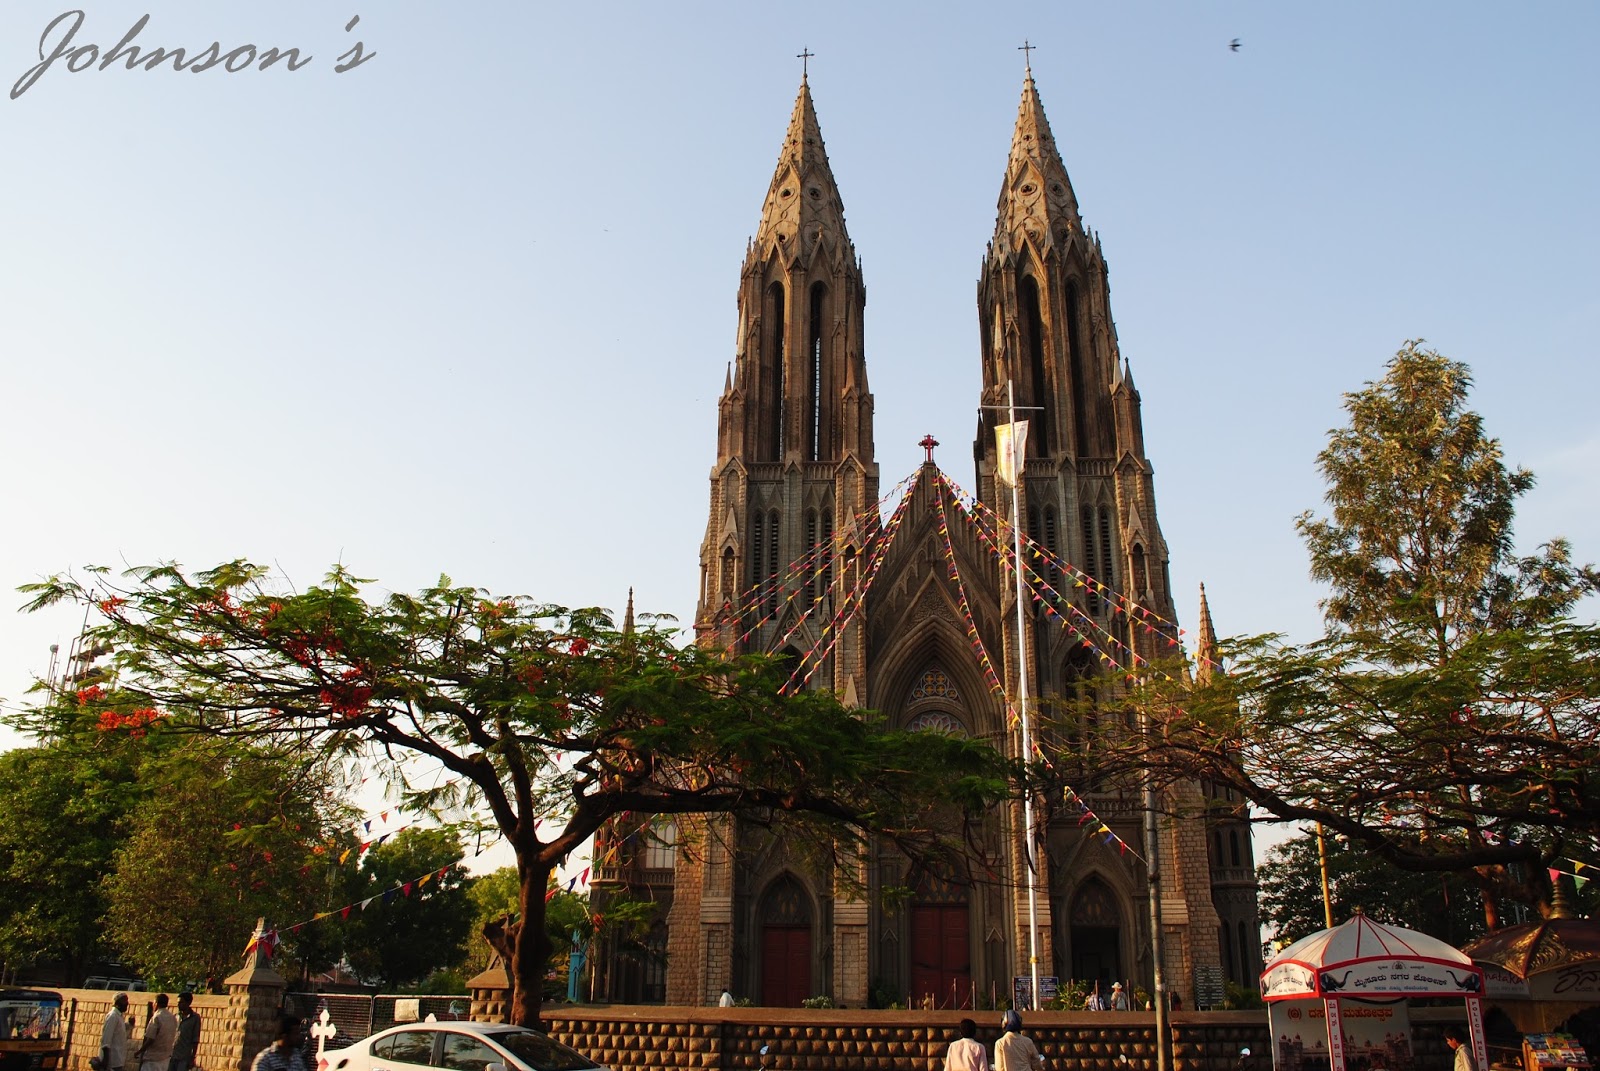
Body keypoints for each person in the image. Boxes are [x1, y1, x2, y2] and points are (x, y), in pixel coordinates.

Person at [138, 995, 177, 1071]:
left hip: (153, 1059)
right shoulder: (172, 1017)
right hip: (165, 1059)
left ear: (156, 1003)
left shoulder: (156, 1017)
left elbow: (150, 1039)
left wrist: (140, 1051)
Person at [171, 993, 201, 1071]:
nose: (178, 1005)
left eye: (181, 1002)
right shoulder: (176, 1016)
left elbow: (195, 1038)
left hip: (184, 1056)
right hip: (172, 1055)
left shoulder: (195, 1018)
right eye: (178, 1003)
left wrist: (192, 1057)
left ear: (188, 1003)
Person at [101, 993, 131, 1071]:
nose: (127, 1003)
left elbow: (119, 1031)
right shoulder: (113, 1016)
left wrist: (130, 1024)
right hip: (112, 1060)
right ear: (117, 1003)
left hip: (118, 1059)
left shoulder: (119, 1016)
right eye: (124, 1001)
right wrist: (106, 1060)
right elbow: (106, 1039)